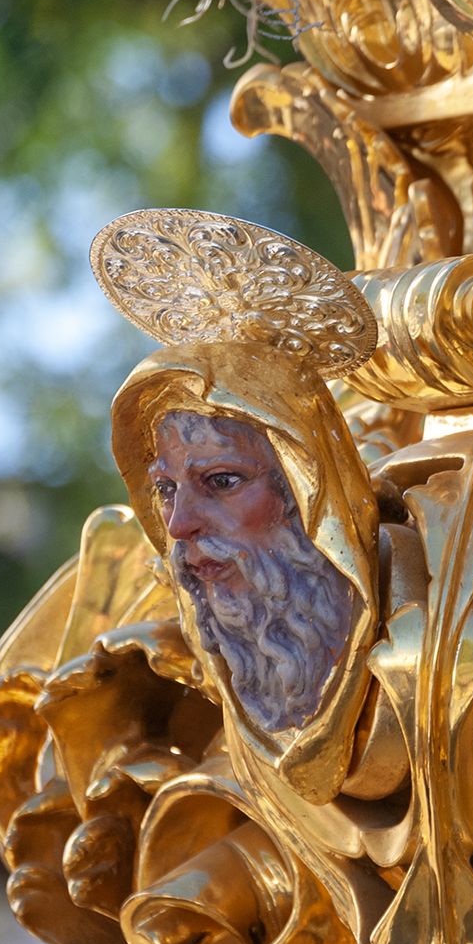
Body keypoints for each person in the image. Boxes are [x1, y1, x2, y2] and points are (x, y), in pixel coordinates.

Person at [111, 341, 386, 802]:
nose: (180, 524)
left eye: (221, 481)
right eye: (165, 488)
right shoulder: (198, 689)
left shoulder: (421, 635)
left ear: (305, 490)